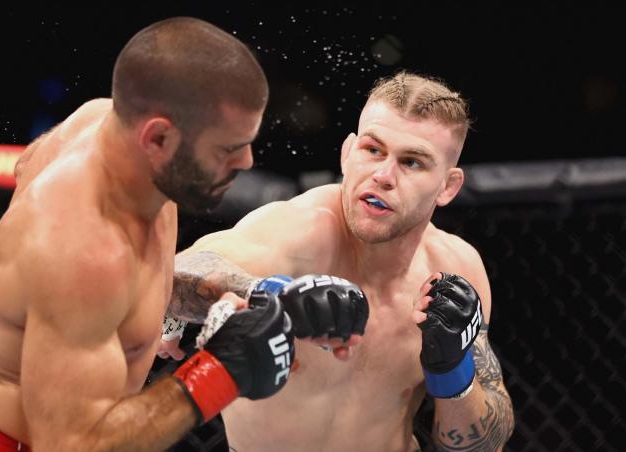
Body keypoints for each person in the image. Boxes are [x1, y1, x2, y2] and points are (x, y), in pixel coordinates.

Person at [0, 17, 363, 452]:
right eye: (227, 147)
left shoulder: (107, 125)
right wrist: (222, 370)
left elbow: (130, 288)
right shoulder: (82, 248)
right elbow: (72, 444)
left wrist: (264, 297)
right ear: (158, 138)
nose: (246, 161)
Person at [160, 71, 515, 451]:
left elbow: (483, 443)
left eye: (411, 162)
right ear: (348, 153)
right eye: (372, 150)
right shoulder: (302, 233)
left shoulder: (456, 267)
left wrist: (453, 371)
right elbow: (170, 277)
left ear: (447, 186)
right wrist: (272, 295)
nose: (383, 175)